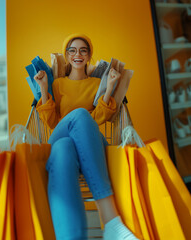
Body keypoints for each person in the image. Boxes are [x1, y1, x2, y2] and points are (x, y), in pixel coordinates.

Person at [34, 33, 139, 240]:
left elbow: (100, 118)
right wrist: (44, 88)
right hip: (61, 132)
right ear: (67, 55)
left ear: (89, 55)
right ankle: (110, 220)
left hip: (89, 143)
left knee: (63, 149)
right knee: (78, 118)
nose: (77, 54)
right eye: (72, 50)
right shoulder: (58, 84)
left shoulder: (96, 84)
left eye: (83, 50)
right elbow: (52, 122)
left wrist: (109, 87)